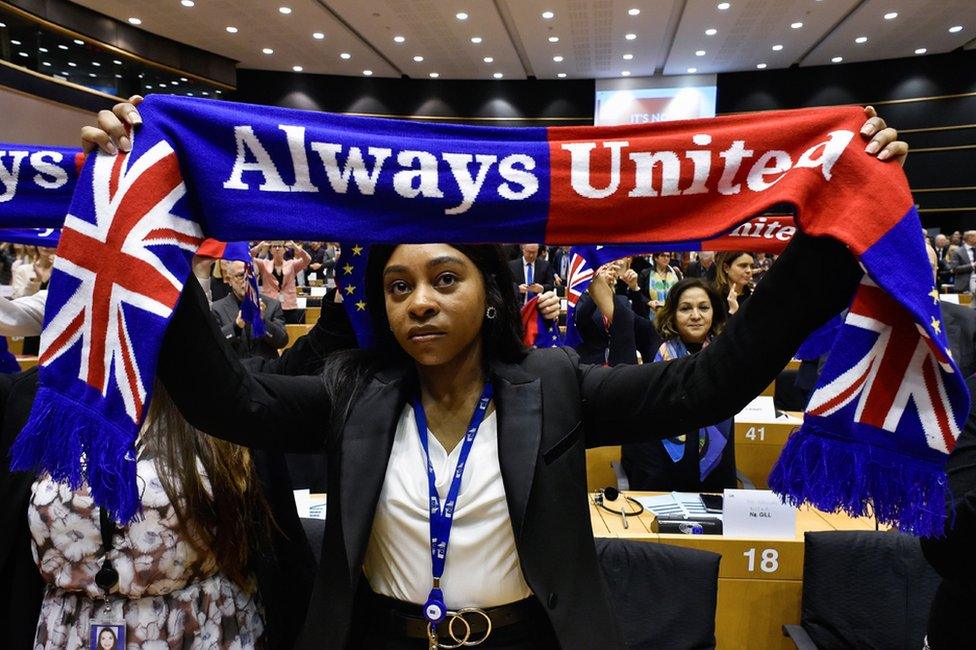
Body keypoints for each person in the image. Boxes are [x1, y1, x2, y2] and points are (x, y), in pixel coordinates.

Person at [89, 98, 905, 649]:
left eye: (446, 280)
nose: (420, 303)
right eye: (399, 287)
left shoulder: (552, 382)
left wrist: (838, 228)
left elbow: (710, 384)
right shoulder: (352, 390)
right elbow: (225, 398)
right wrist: (139, 209)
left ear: (489, 297)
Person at [619, 279, 737, 491]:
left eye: (703, 307)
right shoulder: (653, 341)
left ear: (714, 313)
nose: (695, 315)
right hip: (659, 474)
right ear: (672, 313)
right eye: (685, 308)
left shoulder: (725, 352)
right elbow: (612, 308)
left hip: (713, 478)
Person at [212, 260, 289, 360]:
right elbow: (214, 345)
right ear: (229, 280)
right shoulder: (218, 308)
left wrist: (261, 322)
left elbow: (282, 341)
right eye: (240, 275)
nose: (246, 280)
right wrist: (236, 326)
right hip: (235, 372)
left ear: (257, 278)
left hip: (265, 372)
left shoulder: (272, 305)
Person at [252, 240, 312, 324]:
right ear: (270, 250)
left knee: (293, 332)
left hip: (289, 306)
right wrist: (259, 246)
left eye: (280, 246)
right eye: (274, 246)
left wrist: (295, 247)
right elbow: (247, 257)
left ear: (284, 249)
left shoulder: (292, 264)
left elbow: (307, 259)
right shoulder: (264, 264)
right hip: (270, 305)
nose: (277, 249)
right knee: (272, 334)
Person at [714, 251, 755, 316]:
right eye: (743, 266)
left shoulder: (753, 295)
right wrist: (733, 312)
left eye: (752, 266)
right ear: (726, 268)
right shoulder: (714, 296)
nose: (749, 270)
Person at [949, 230, 976, 294]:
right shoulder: (957, 252)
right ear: (970, 238)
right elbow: (955, 269)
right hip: (963, 286)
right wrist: (972, 265)